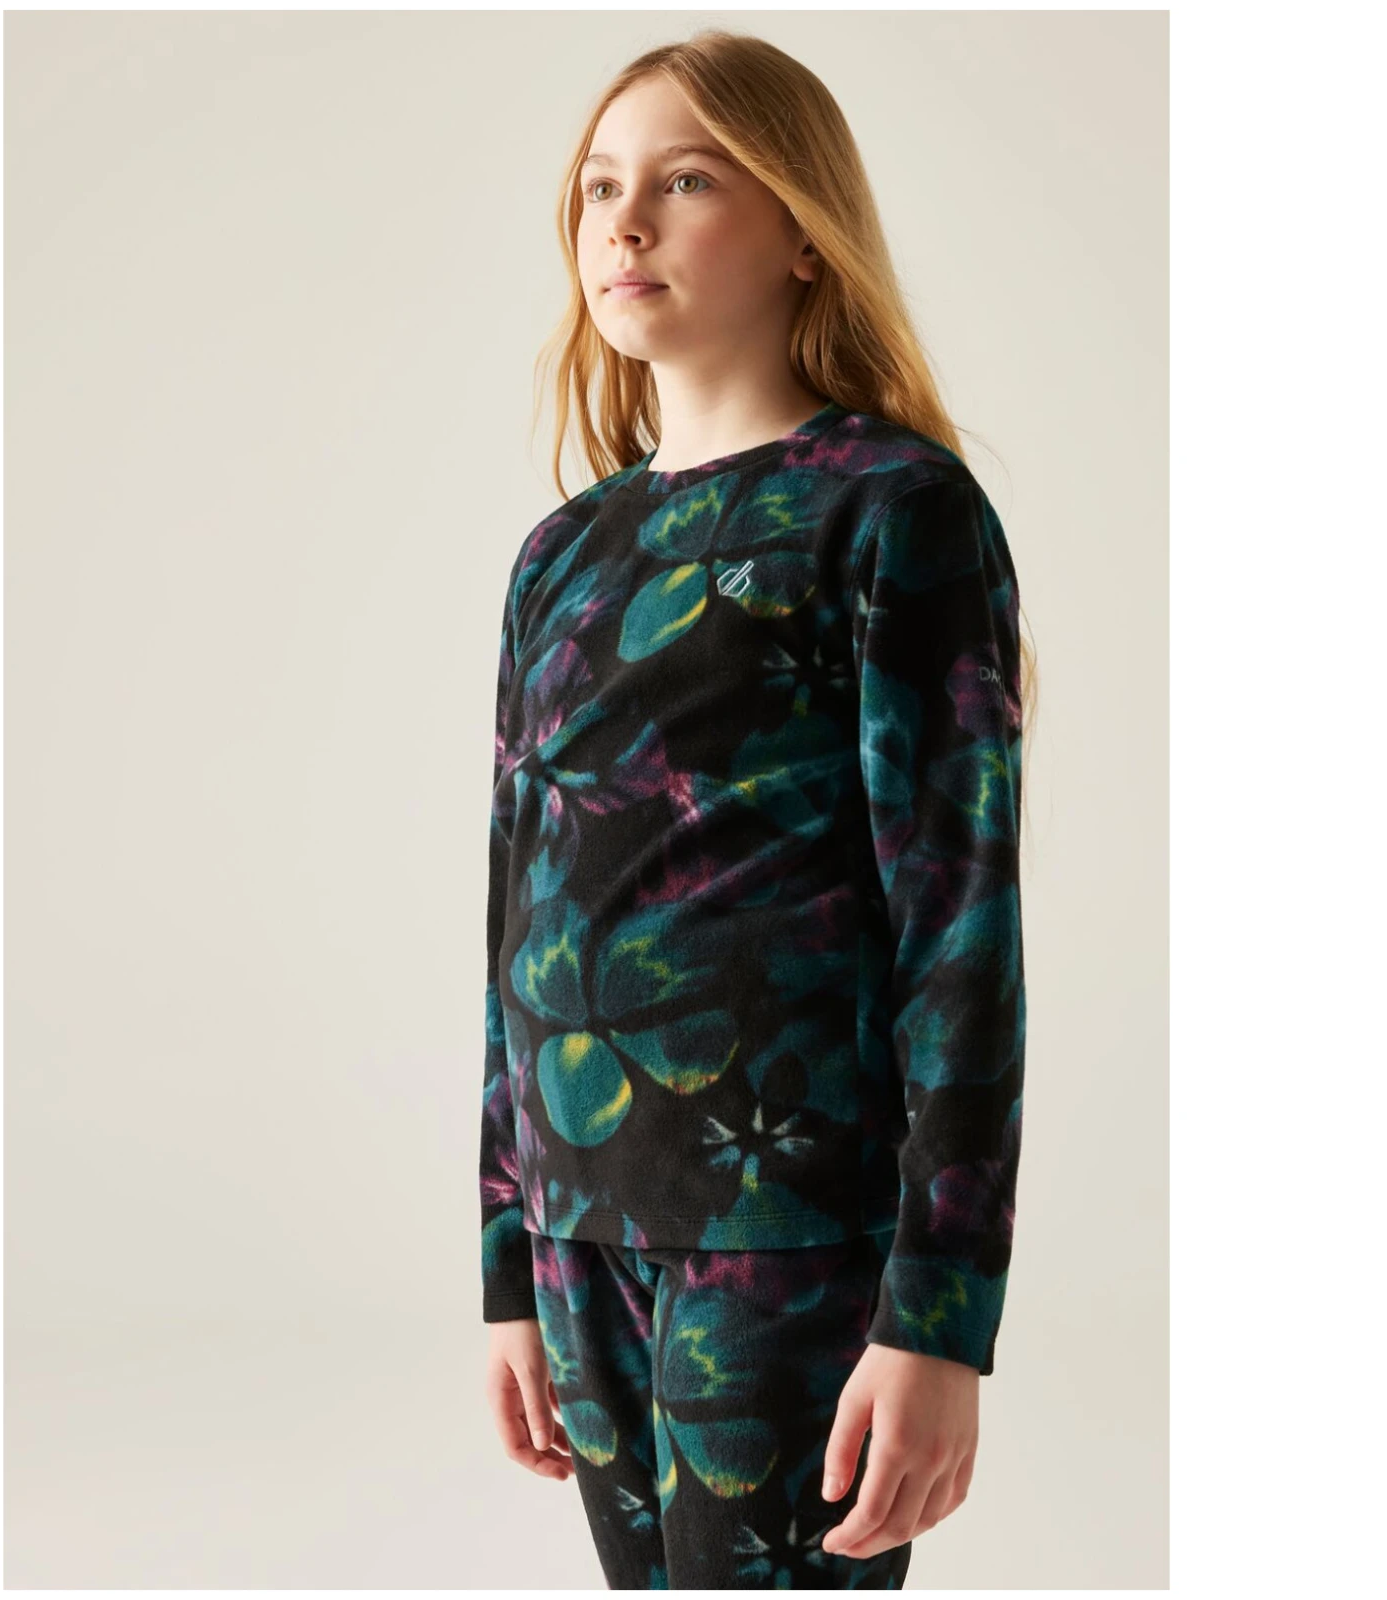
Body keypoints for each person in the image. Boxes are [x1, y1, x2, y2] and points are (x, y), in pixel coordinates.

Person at [478, 28, 1035, 1591]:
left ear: (803, 229)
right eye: (599, 188)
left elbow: (961, 932)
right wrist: (509, 1262)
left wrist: (939, 1318)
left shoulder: (892, 510)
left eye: (685, 181)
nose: (624, 224)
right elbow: (517, 921)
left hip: (791, 1228)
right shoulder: (563, 557)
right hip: (584, 1227)